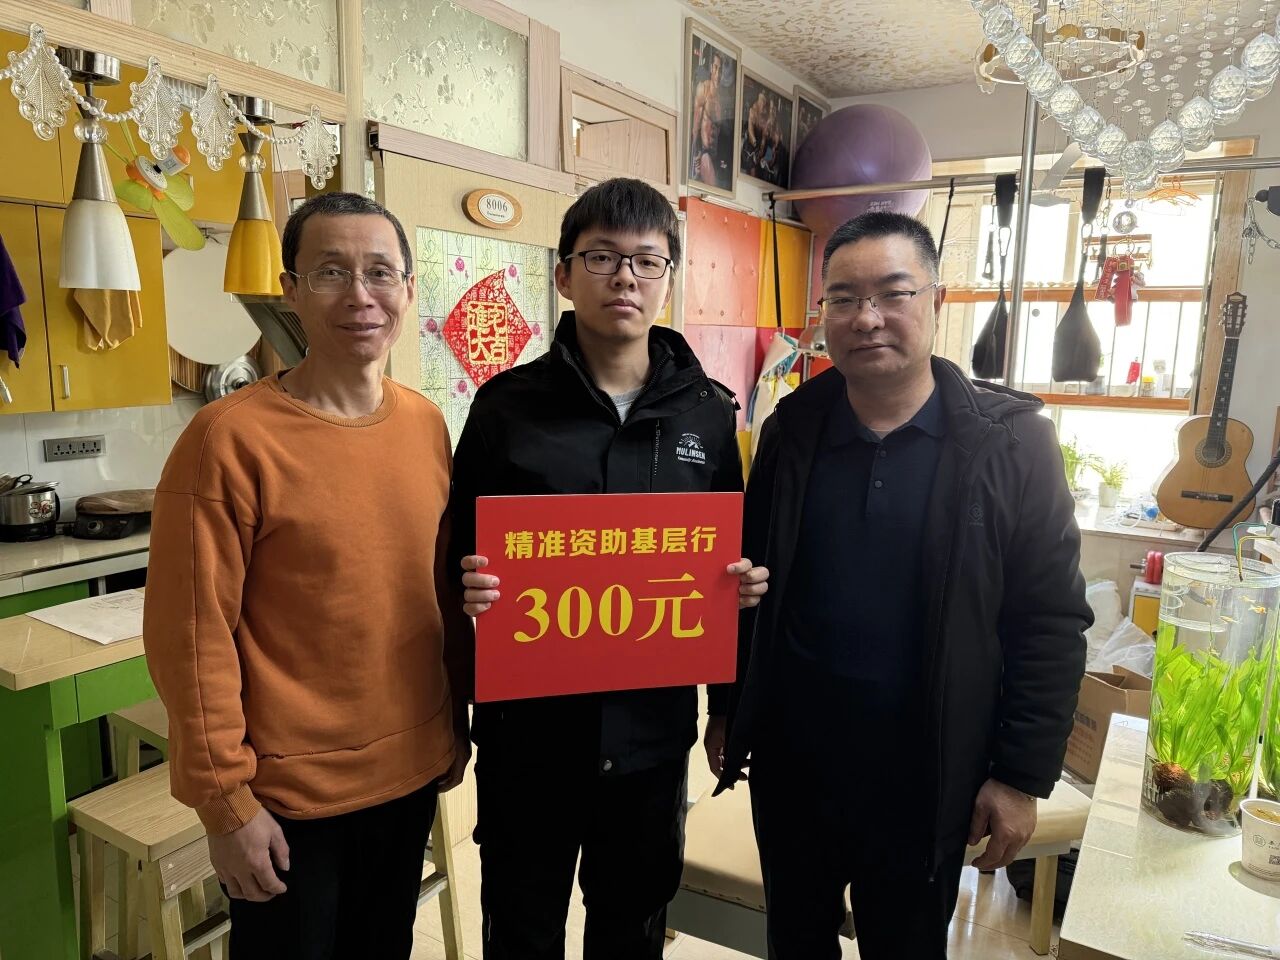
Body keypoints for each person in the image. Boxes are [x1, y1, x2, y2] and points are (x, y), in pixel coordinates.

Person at [708, 211, 1090, 959]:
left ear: (937, 301)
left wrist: (1019, 777)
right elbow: (745, 590)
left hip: (929, 774)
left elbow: (1049, 619)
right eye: (843, 299)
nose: (867, 317)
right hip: (795, 769)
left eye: (892, 293)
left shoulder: (1011, 444)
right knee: (795, 944)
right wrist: (728, 710)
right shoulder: (791, 431)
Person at [143, 192, 473, 960]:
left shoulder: (426, 424)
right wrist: (225, 804)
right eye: (331, 272)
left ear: (408, 288)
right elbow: (191, 638)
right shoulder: (228, 440)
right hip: (287, 800)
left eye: (380, 272)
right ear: (291, 290)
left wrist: (452, 727)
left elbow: (433, 598)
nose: (360, 295)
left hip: (409, 774)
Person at [451, 177, 768, 960]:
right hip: (530, 742)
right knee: (520, 932)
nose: (624, 277)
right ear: (564, 275)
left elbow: (728, 570)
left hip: (651, 743)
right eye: (601, 257)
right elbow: (450, 560)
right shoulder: (505, 408)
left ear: (668, 279)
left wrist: (727, 708)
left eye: (646, 261)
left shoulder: (706, 414)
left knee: (631, 931)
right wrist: (469, 588)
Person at [690, 51, 723, 185]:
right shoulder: (703, 89)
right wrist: (695, 154)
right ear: (711, 68)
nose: (718, 73)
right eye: (715, 67)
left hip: (715, 156)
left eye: (720, 69)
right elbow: (695, 125)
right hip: (703, 153)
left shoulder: (721, 99)